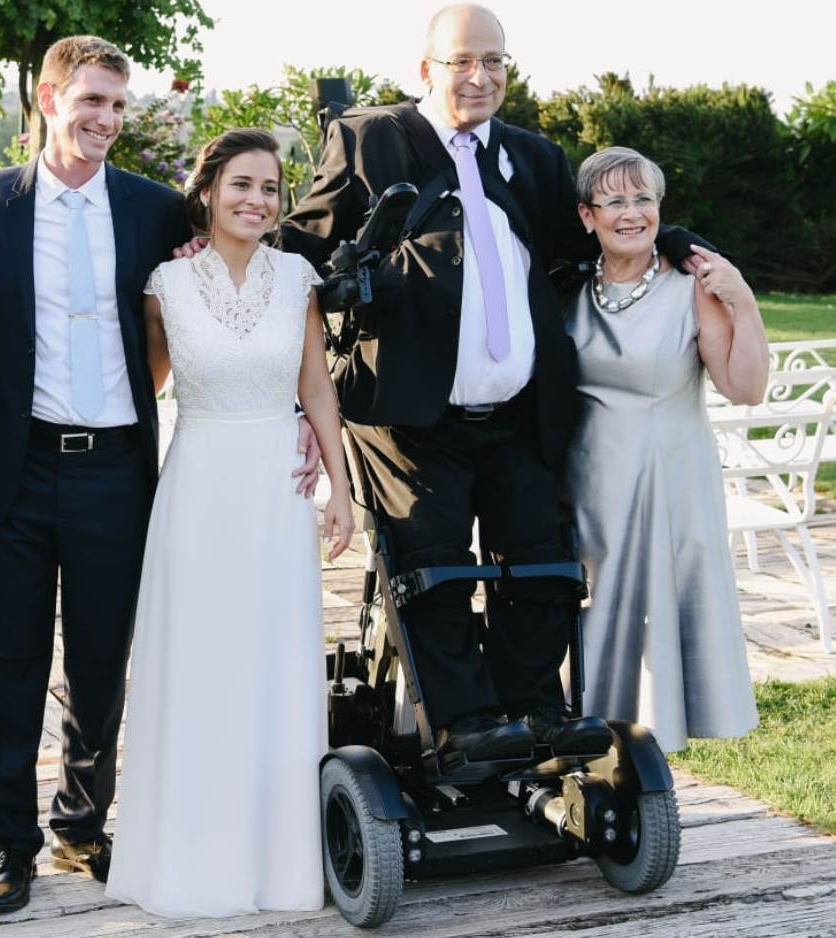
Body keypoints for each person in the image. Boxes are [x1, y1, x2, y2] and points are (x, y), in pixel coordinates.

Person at [279, 3, 711, 768]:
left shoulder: (533, 156)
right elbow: (302, 249)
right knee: (435, 569)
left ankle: (538, 709)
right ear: (425, 70)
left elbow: (590, 237)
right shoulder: (371, 139)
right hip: (409, 415)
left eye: (495, 62)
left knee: (542, 562)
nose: (480, 77)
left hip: (519, 410)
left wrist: (673, 240)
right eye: (462, 61)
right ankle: (466, 721)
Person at [0, 37, 322, 915]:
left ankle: (83, 825)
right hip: (11, 464)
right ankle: (11, 848)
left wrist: (299, 408)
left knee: (102, 663)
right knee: (6, 662)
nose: (105, 121)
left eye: (118, 105)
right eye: (90, 102)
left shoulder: (158, 212)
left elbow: (264, 265)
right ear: (47, 98)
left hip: (118, 467)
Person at [105, 129, 354, 917]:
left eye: (271, 188)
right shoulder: (166, 287)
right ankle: (189, 860)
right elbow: (145, 388)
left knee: (276, 666)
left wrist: (341, 492)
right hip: (200, 484)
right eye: (241, 184)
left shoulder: (298, 278)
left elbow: (316, 384)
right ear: (208, 191)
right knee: (200, 666)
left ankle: (280, 866)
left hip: (279, 490)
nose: (257, 200)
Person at [565, 146, 766, 752]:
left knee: (656, 623)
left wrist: (744, 301)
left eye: (644, 199)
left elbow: (745, 386)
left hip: (665, 480)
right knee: (594, 617)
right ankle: (590, 750)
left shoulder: (691, 286)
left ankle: (651, 765)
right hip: (586, 483)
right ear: (587, 216)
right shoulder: (567, 287)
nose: (632, 214)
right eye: (616, 201)